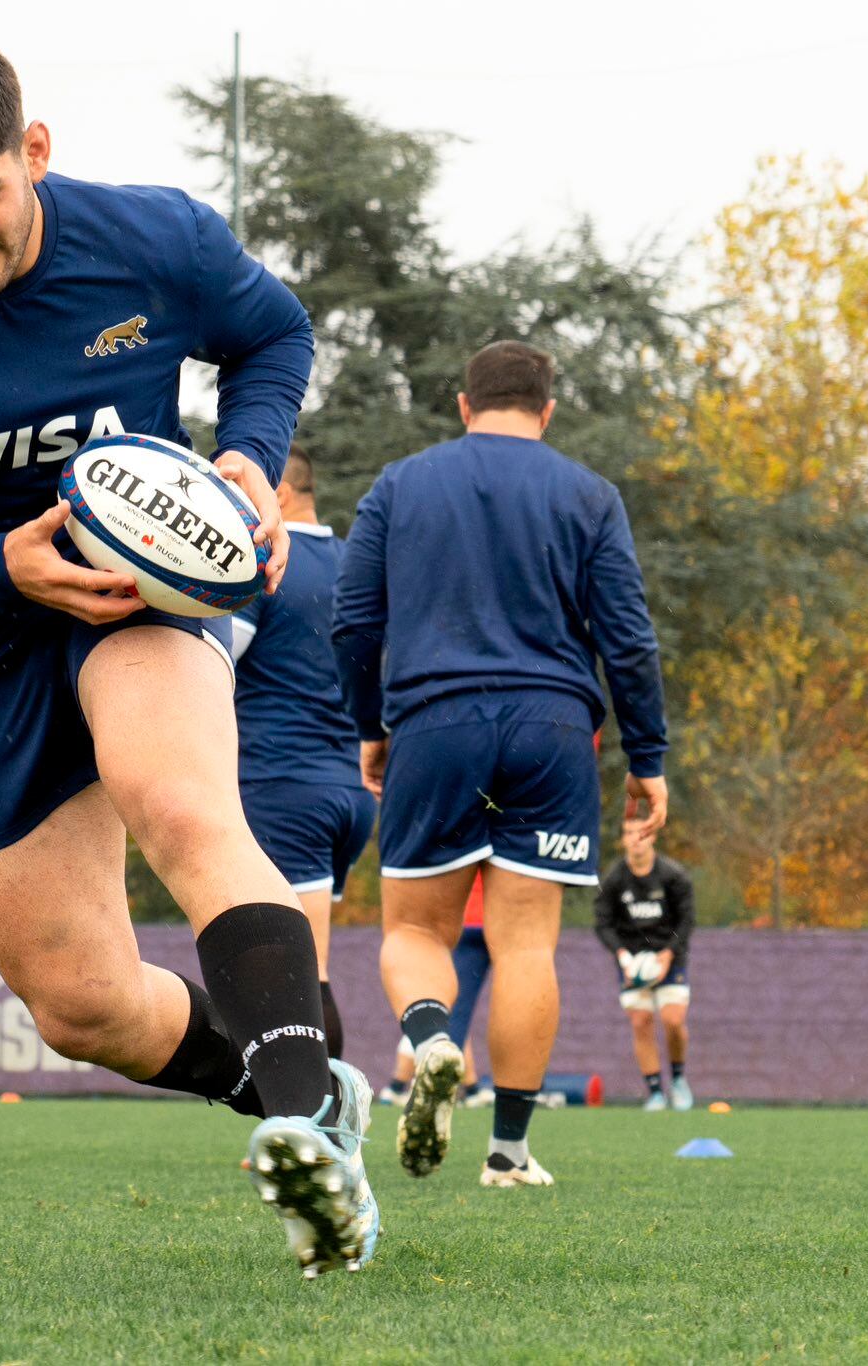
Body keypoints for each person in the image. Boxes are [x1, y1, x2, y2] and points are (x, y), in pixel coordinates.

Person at [0, 35, 376, 1276]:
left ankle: (312, 1129)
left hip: (142, 600)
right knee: (81, 1007)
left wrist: (250, 460)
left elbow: (273, 336)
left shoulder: (153, 239)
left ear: (32, 154)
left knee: (178, 799)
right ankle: (294, 1089)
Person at [334, 340, 667, 1190]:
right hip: (554, 729)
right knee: (527, 946)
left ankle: (435, 1040)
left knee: (413, 930)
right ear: (547, 410)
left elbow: (353, 624)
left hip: (434, 727)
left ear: (462, 404)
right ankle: (511, 1154)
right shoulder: (589, 495)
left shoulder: (400, 485)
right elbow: (627, 641)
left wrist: (370, 725)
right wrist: (647, 756)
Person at [229, 443, 373, 1061]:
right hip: (350, 797)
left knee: (299, 980)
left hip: (286, 786)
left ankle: (321, 1132)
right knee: (302, 970)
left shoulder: (265, 565)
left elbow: (209, 667)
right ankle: (316, 1127)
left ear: (279, 492)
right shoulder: (354, 567)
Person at [595, 827, 696, 1111]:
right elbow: (603, 924)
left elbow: (686, 921)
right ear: (623, 839)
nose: (636, 840)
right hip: (633, 962)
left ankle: (677, 1079)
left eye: (642, 834)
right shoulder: (614, 880)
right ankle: (654, 1091)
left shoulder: (673, 876)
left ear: (652, 838)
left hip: (670, 957)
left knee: (673, 1020)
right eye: (629, 834)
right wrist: (623, 956)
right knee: (640, 1021)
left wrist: (667, 954)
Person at [379, 871, 495, 1109]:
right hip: (500, 918)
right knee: (448, 1012)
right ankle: (515, 1095)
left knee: (444, 1011)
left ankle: (412, 1088)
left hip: (463, 921)